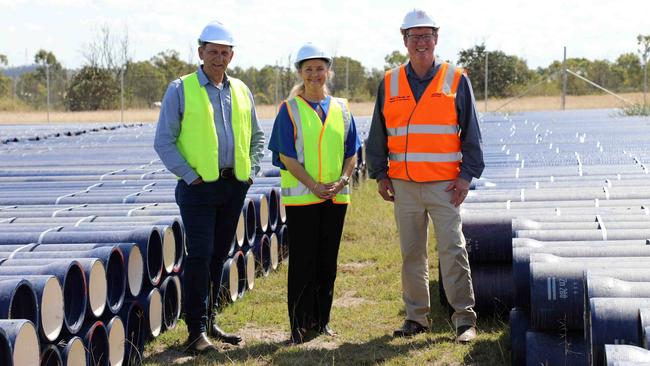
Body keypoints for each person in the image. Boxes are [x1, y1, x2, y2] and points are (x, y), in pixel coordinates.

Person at [366, 9, 484, 343]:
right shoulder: (389, 82)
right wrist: (379, 174)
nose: (421, 42)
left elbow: (471, 133)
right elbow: (378, 133)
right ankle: (416, 318)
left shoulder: (456, 79)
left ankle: (464, 320)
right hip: (403, 184)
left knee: (453, 249)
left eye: (427, 35)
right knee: (411, 253)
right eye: (414, 36)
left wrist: (465, 177)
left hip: (445, 185)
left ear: (437, 38)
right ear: (404, 40)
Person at [153, 20, 265, 353]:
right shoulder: (180, 89)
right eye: (212, 52)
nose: (218, 58)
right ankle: (195, 331)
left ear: (232, 55)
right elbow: (164, 141)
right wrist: (190, 175)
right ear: (200, 53)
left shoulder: (241, 90)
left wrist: (251, 172)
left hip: (233, 187)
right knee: (199, 256)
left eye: (224, 53)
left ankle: (210, 320)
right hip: (198, 189)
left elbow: (257, 138)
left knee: (218, 255)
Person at [268, 42, 361, 344]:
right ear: (300, 73)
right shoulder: (289, 109)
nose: (315, 74)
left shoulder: (343, 108)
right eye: (308, 69)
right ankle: (299, 325)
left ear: (328, 72)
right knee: (303, 264)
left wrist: (343, 180)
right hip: (303, 199)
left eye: (320, 68)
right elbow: (286, 156)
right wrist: (313, 184)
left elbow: (352, 153)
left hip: (336, 197)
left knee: (327, 262)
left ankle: (322, 321)